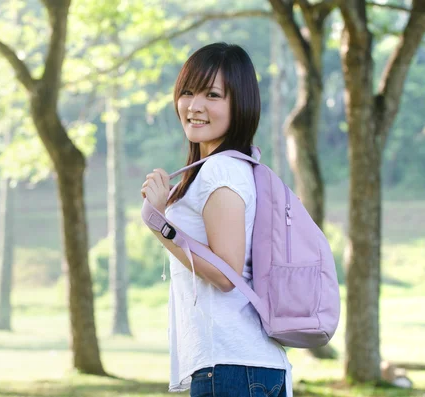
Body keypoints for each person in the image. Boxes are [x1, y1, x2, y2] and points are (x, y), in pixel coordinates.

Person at [140, 42, 292, 397]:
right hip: (240, 366)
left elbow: (226, 274)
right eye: (188, 92)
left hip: (231, 366)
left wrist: (161, 225)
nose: (195, 106)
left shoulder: (220, 170)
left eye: (213, 95)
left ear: (238, 104)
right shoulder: (225, 167)